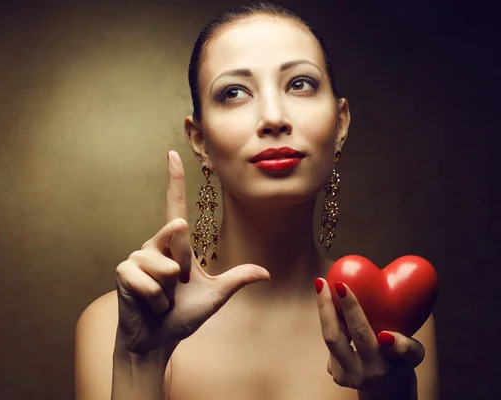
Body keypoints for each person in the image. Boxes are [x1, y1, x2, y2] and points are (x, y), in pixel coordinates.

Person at [74, 3, 438, 399]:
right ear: (200, 142)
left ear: (340, 124)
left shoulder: (395, 318)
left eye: (300, 84)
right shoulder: (115, 324)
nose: (273, 116)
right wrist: (139, 360)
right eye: (234, 92)